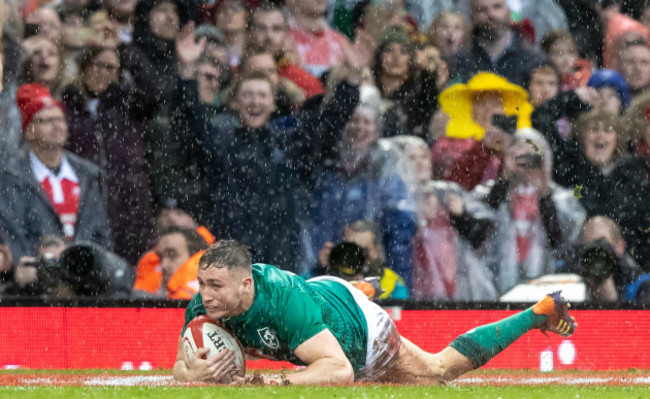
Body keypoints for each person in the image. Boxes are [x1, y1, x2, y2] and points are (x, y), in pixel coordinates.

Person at [173, 239, 577, 385]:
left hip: (360, 333)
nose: (205, 295)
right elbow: (180, 365)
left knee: (437, 372)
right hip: (321, 297)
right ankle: (360, 286)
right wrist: (197, 374)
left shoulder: (279, 301)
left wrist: (266, 386)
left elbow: (339, 371)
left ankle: (537, 312)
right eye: (203, 284)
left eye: (215, 286)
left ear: (246, 285)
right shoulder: (205, 303)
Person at [61, 46, 155, 265]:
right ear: (84, 67)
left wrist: (126, 49)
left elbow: (156, 93)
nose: (104, 72)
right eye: (99, 65)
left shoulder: (128, 106)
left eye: (112, 68)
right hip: (85, 201)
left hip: (129, 203)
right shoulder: (69, 106)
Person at [0, 84, 113, 260]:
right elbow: (13, 236)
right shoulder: (13, 176)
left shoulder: (87, 174)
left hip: (83, 276)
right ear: (29, 131)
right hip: (39, 277)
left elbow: (101, 233)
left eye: (60, 119)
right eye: (46, 120)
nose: (57, 126)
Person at [472, 128, 586, 295]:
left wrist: (545, 194)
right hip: (497, 288)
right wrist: (505, 178)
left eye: (533, 158)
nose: (527, 164)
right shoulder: (492, 193)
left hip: (545, 289)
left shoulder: (561, 199)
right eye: (520, 155)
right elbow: (480, 227)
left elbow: (563, 242)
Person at [430, 72, 534, 191]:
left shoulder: (518, 141)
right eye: (482, 102)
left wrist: (507, 152)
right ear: (471, 108)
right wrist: (482, 148)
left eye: (496, 103)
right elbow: (456, 183)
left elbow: (530, 183)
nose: (489, 109)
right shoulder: (447, 144)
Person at [450, 0, 545, 86]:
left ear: (508, 11)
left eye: (497, 7)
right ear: (472, 16)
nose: (491, 14)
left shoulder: (531, 59)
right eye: (482, 9)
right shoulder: (458, 59)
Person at [133, 226, 209, 299]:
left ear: (195, 257)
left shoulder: (203, 294)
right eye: (160, 258)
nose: (164, 265)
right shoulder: (155, 291)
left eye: (172, 255)